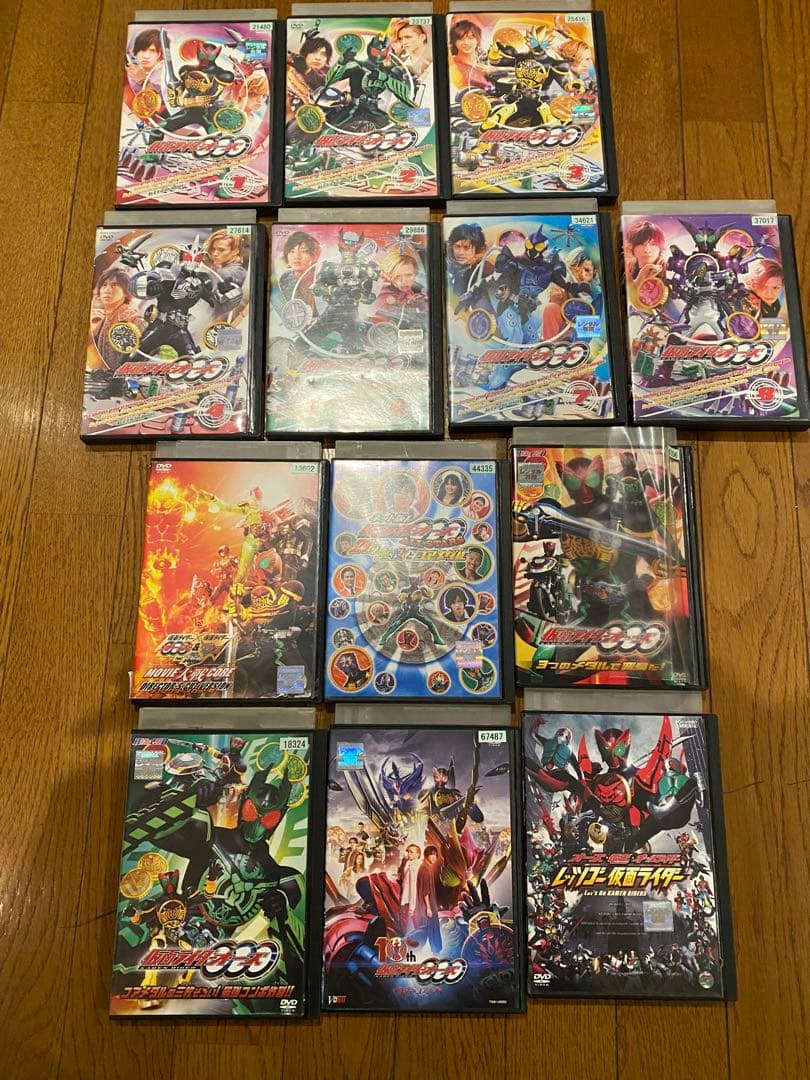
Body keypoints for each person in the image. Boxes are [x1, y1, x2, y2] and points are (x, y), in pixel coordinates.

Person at [90, 268, 144, 371]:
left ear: (126, 292)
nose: (107, 290)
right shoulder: (103, 316)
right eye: (104, 285)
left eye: (114, 285)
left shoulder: (133, 319)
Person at [278, 230, 321, 308]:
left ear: (314, 255)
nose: (296, 256)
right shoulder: (285, 278)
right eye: (292, 251)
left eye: (303, 251)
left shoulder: (321, 277)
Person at [448, 17, 490, 92]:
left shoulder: (486, 61)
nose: (466, 43)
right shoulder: (452, 64)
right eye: (461, 39)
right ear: (454, 42)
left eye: (470, 38)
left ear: (477, 39)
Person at [446, 223, 487, 294]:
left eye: (466, 248)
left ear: (477, 249)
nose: (460, 253)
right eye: (457, 247)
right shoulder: (445, 262)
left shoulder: (483, 270)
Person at [415, 846, 442, 952]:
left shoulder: (426, 867)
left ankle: (435, 950)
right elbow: (425, 891)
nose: (434, 857)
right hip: (428, 905)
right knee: (432, 928)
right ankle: (436, 951)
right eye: (431, 854)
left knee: (431, 928)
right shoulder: (425, 869)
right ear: (426, 855)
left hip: (428, 904)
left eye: (435, 855)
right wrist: (428, 908)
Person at [126, 27, 164, 95]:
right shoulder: (129, 73)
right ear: (135, 52)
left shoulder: (163, 76)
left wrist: (143, 81)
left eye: (152, 51)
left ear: (159, 53)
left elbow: (160, 98)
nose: (146, 56)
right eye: (142, 50)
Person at [398, 844, 422, 931]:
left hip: (412, 899)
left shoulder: (416, 865)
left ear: (418, 854)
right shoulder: (408, 863)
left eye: (411, 852)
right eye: (408, 851)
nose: (408, 854)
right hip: (406, 897)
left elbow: (413, 885)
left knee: (411, 922)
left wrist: (412, 906)